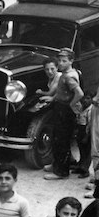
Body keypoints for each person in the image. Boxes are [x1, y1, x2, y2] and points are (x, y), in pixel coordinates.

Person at [43, 48, 83, 181]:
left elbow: (79, 93)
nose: (60, 63)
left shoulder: (69, 76)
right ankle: (56, 164)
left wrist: (71, 104)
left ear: (71, 61)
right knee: (57, 138)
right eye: (59, 60)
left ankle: (61, 172)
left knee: (62, 141)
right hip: (60, 107)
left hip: (65, 110)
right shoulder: (66, 73)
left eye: (64, 61)